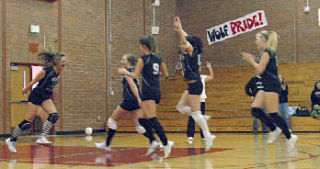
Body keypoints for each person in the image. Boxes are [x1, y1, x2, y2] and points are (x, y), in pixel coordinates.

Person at [118, 35, 174, 158]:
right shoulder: (159, 59)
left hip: (148, 91)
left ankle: (165, 142)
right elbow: (166, 75)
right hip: (156, 89)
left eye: (140, 46)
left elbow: (135, 75)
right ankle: (153, 141)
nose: (140, 49)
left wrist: (124, 72)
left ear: (144, 46)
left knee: (152, 118)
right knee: (142, 119)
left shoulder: (143, 59)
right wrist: (154, 77)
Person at [241, 30, 297, 149]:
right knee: (255, 110)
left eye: (257, 39)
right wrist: (254, 61)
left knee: (273, 114)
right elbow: (259, 71)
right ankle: (273, 129)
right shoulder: (264, 53)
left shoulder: (267, 52)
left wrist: (250, 60)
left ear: (263, 40)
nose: (255, 41)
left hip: (272, 84)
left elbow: (260, 70)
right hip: (266, 84)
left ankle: (289, 136)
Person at [5, 49, 68, 153]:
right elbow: (35, 81)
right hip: (36, 95)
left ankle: (42, 137)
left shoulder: (59, 73)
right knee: (27, 123)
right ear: (57, 61)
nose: (65, 63)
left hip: (46, 96)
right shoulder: (46, 71)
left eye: (66, 61)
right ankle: (12, 140)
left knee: (54, 115)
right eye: (63, 61)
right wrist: (26, 88)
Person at [173, 16, 215, 151]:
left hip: (196, 84)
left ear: (190, 45)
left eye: (185, 43)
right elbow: (185, 37)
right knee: (180, 107)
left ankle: (208, 135)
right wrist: (180, 28)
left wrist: (179, 28)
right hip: (192, 85)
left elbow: (184, 39)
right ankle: (202, 118)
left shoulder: (192, 51)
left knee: (195, 114)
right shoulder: (192, 50)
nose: (182, 44)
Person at [95, 54, 146, 151]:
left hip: (129, 100)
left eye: (123, 59)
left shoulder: (128, 72)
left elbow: (133, 86)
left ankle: (107, 144)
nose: (121, 60)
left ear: (128, 62)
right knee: (137, 126)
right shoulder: (133, 72)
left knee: (112, 121)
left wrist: (138, 98)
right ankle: (155, 141)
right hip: (134, 100)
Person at [187, 61, 213, 144]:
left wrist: (209, 68)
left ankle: (203, 136)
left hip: (202, 100)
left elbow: (211, 77)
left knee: (202, 118)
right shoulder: (192, 78)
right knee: (192, 118)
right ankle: (190, 136)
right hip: (194, 100)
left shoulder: (202, 77)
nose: (199, 69)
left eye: (200, 68)